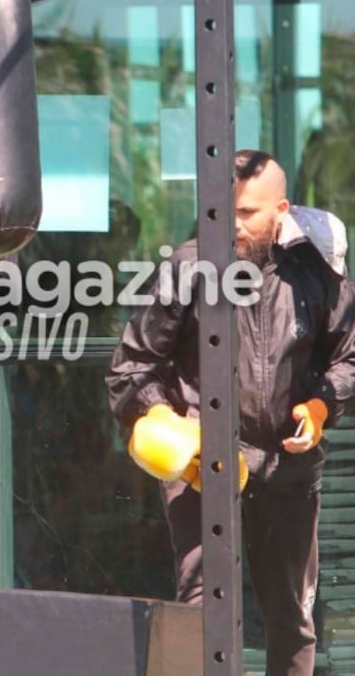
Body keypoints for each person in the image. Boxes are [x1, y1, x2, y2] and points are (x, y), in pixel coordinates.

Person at [105, 150, 355, 676]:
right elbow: (131, 370)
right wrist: (169, 425)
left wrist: (320, 405)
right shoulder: (186, 268)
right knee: (202, 607)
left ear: (281, 211)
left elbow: (348, 356)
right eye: (223, 210)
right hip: (204, 468)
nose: (232, 225)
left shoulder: (314, 273)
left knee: (291, 618)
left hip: (287, 469)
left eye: (247, 213)